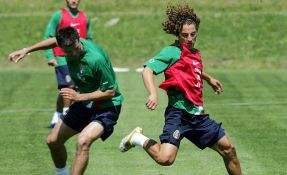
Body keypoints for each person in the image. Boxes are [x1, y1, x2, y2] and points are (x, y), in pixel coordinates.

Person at [119, 5, 242, 175]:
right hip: (179, 115)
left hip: (198, 116)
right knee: (165, 159)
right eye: (185, 35)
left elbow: (192, 68)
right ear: (178, 35)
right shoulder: (172, 52)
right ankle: (137, 138)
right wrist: (153, 93)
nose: (189, 38)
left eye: (193, 34)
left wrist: (208, 78)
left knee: (229, 150)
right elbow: (148, 69)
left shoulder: (194, 53)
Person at [8, 27, 123, 175]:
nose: (72, 54)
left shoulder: (96, 59)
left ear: (78, 38)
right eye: (67, 52)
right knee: (53, 141)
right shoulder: (65, 43)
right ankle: (61, 173)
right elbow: (52, 41)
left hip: (107, 106)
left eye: (74, 49)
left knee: (83, 142)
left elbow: (110, 92)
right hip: (85, 103)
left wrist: (79, 97)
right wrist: (27, 50)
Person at [45, 0, 93, 128]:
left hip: (80, 58)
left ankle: (57, 114)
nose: (73, 0)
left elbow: (89, 38)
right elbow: (49, 35)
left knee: (68, 88)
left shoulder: (84, 17)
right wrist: (50, 56)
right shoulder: (58, 15)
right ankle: (66, 115)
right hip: (62, 57)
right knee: (69, 85)